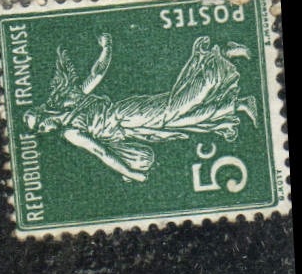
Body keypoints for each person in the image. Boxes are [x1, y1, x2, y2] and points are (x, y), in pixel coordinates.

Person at [24, 33, 257, 184]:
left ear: (44, 112)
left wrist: (131, 173)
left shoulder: (70, 128)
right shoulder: (69, 112)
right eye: (40, 130)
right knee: (182, 119)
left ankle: (221, 54)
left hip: (125, 116)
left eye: (40, 124)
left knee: (175, 108)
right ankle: (239, 105)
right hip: (131, 129)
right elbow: (96, 76)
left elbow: (100, 152)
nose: (44, 130)